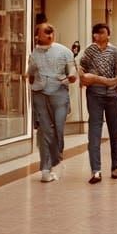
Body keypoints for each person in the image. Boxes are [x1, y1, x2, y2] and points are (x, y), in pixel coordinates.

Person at [78, 22, 117, 183]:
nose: (98, 36)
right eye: (96, 33)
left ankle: (115, 166)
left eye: (102, 33)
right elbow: (80, 66)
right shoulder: (89, 51)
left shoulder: (115, 51)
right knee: (94, 131)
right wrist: (84, 76)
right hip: (94, 95)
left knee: (116, 132)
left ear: (108, 34)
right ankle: (96, 171)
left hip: (112, 95)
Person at [27, 21, 76, 182]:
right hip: (40, 95)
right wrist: (34, 83)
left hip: (60, 94)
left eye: (51, 32)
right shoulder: (33, 54)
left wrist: (70, 78)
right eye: (45, 32)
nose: (49, 35)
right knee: (45, 131)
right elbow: (31, 73)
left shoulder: (64, 51)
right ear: (37, 36)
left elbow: (73, 73)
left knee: (59, 128)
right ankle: (46, 169)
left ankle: (56, 157)